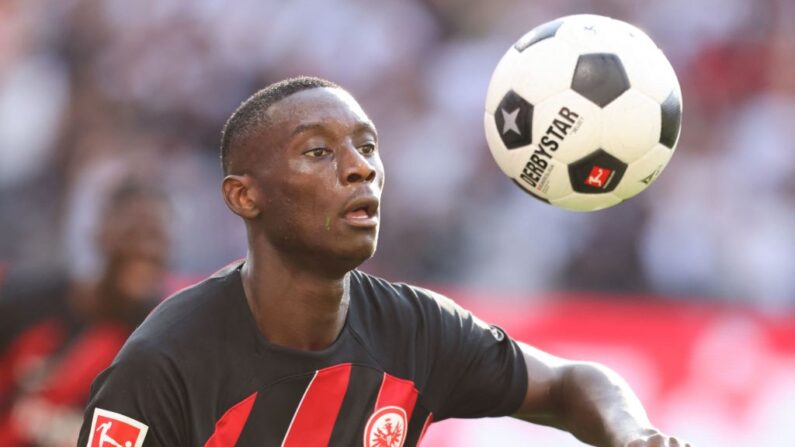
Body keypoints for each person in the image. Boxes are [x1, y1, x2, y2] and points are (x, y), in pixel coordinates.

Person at [76, 77, 690, 447]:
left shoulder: (418, 331)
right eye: (318, 151)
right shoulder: (168, 362)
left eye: (367, 147)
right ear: (245, 196)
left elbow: (574, 381)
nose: (361, 168)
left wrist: (631, 433)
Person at [0, 180, 171, 447]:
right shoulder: (26, 304)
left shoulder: (161, 338)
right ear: (100, 233)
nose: (146, 248)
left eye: (157, 238)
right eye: (134, 233)